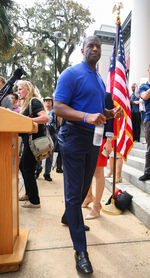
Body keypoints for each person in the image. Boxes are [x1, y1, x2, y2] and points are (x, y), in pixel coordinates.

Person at [53, 35, 123, 275]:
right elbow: (58, 107)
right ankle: (80, 250)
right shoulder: (71, 74)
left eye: (97, 46)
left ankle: (69, 218)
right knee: (74, 193)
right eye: (90, 45)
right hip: (73, 137)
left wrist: (108, 113)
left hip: (93, 139)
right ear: (82, 49)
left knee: (83, 187)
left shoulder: (98, 78)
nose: (94, 48)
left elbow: (94, 109)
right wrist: (86, 117)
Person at [82, 92, 114, 219]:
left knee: (98, 171)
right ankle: (89, 196)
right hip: (85, 136)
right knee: (86, 170)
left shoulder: (105, 95)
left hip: (99, 136)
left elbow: (110, 120)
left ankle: (97, 205)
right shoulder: (84, 94)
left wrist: (109, 140)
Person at [18, 80, 49, 208]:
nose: (18, 92)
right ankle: (29, 194)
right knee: (24, 167)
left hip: (33, 143)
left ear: (27, 89)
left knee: (27, 168)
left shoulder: (33, 102)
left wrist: (27, 121)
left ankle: (34, 201)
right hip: (28, 142)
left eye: (20, 89)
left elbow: (45, 118)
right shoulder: (26, 104)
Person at [42, 96, 58, 181]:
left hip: (52, 134)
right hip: (42, 133)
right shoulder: (42, 111)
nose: (48, 102)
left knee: (50, 155)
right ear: (44, 102)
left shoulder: (55, 112)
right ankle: (38, 170)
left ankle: (47, 173)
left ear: (52, 102)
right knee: (39, 153)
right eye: (46, 101)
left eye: (49, 101)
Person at [139, 64, 150, 181]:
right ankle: (147, 172)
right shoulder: (144, 86)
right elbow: (145, 96)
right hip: (149, 119)